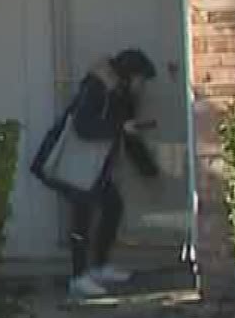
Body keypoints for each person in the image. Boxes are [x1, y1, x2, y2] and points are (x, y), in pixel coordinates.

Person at [31, 47, 160, 300]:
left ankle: (99, 267)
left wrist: (149, 170)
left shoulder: (123, 96)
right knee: (82, 215)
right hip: (68, 165)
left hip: (92, 168)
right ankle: (78, 278)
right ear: (130, 75)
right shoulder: (98, 87)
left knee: (112, 206)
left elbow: (128, 135)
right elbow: (83, 126)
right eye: (141, 79)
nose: (143, 86)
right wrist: (120, 128)